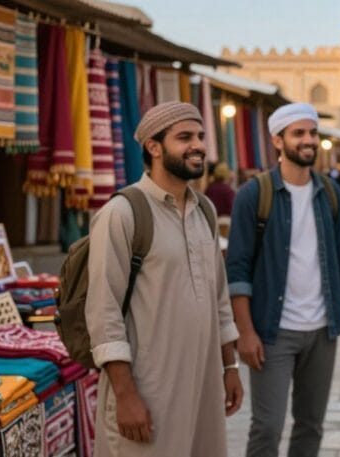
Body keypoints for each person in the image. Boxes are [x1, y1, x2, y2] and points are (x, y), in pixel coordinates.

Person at [87, 101, 243, 457]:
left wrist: (230, 366)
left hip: (203, 388)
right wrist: (126, 396)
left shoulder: (204, 210)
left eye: (200, 136)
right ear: (154, 147)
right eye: (184, 137)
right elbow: (103, 313)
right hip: (149, 390)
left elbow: (219, 299)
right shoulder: (123, 213)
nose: (198, 145)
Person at [225, 102, 340, 457]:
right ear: (278, 140)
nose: (308, 140)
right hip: (272, 332)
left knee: (310, 424)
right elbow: (237, 271)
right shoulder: (254, 194)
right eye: (298, 133)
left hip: (322, 329)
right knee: (268, 426)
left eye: (312, 133)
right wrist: (246, 332)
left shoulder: (329, 193)